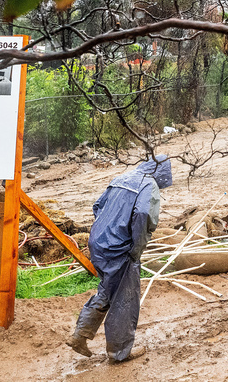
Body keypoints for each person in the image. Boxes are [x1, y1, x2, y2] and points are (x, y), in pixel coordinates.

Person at [66, 155, 172, 362]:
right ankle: (119, 353)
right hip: (119, 249)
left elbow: (97, 206)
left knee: (107, 290)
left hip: (98, 243)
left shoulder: (122, 178)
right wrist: (136, 247)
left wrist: (107, 229)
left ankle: (80, 335)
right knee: (125, 299)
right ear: (160, 173)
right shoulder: (148, 185)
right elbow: (143, 214)